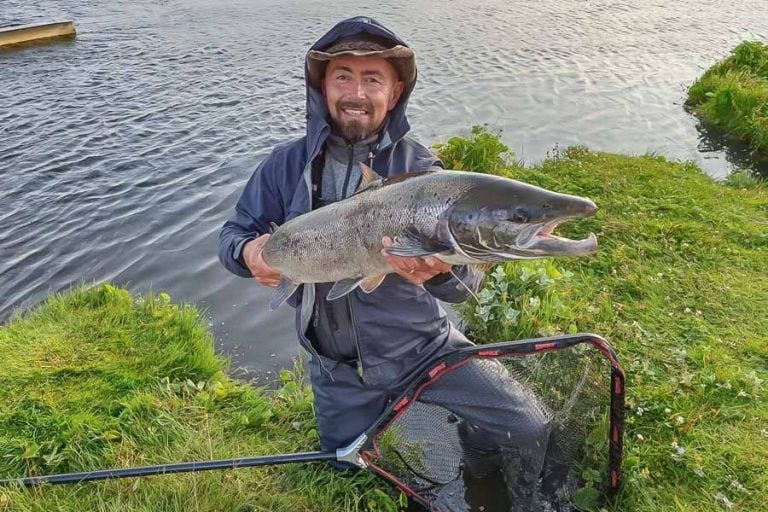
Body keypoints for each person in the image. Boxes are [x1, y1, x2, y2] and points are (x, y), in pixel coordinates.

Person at [219, 16, 550, 510]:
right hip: (337, 369)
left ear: (394, 93)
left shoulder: (426, 174)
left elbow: (464, 285)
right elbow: (234, 237)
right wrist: (249, 254)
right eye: (343, 76)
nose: (357, 91)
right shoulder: (284, 166)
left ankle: (477, 466)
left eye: (372, 78)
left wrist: (442, 270)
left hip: (426, 352)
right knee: (344, 472)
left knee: (528, 423)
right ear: (322, 87)